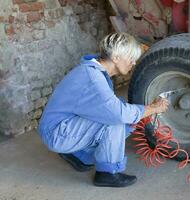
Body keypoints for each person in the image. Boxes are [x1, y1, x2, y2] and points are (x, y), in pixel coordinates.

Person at [38, 32, 169, 187]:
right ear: (116, 57)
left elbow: (111, 106)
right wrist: (153, 108)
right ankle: (107, 174)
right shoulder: (93, 78)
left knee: (118, 113)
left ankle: (78, 156)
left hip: (60, 125)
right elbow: (118, 114)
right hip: (56, 132)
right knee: (115, 120)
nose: (133, 63)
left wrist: (142, 111)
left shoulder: (93, 70)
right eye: (131, 58)